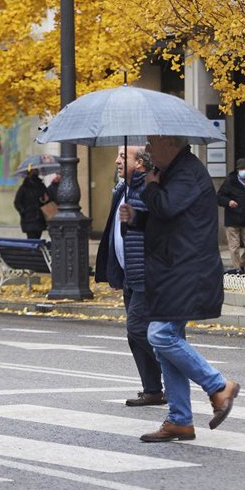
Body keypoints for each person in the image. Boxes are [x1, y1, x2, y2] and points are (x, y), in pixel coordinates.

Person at [132, 135, 239, 442]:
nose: (148, 149)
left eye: (152, 143)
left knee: (160, 335)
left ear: (171, 144)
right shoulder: (173, 172)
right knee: (166, 344)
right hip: (172, 270)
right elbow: (167, 220)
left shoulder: (187, 172)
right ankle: (179, 419)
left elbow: (166, 207)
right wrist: (135, 217)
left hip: (187, 270)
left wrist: (150, 187)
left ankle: (218, 386)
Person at [95, 145, 165, 408]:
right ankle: (152, 390)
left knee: (137, 328)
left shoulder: (149, 190)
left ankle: (176, 368)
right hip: (130, 275)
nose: (116, 160)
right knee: (134, 335)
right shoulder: (123, 190)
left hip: (147, 274)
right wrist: (115, 271)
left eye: (123, 156)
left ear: (141, 163)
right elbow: (115, 234)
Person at [217, 157, 245, 274]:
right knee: (234, 247)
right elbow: (219, 196)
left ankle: (240, 265)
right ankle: (237, 269)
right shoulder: (230, 180)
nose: (244, 171)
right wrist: (229, 202)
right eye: (241, 169)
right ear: (237, 170)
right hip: (232, 218)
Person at [14, 168, 52, 240]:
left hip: (39, 218)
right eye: (33, 171)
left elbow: (47, 198)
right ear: (28, 174)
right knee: (32, 239)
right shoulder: (24, 187)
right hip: (29, 219)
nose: (35, 173)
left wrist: (45, 200)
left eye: (36, 171)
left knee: (37, 239)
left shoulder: (41, 186)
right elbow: (17, 202)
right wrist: (23, 211)